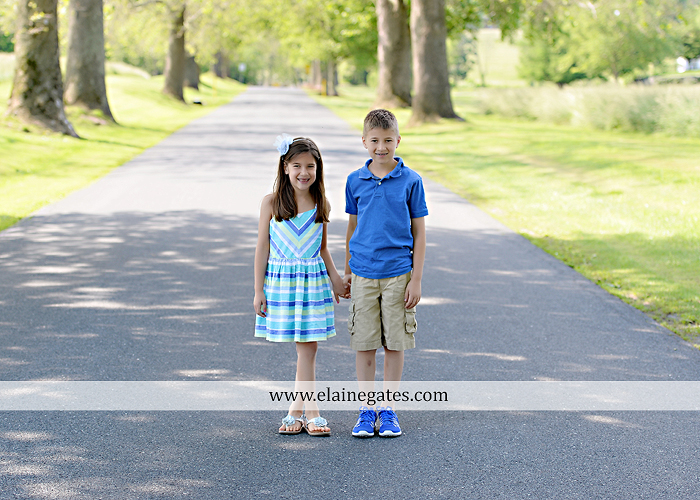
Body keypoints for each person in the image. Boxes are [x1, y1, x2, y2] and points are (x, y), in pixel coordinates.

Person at [254, 135, 347, 436]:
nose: (303, 172)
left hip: (313, 283)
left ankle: (302, 411)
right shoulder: (271, 203)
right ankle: (304, 411)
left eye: (310, 166)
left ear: (318, 169)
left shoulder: (322, 203)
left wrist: (335, 279)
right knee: (304, 350)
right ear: (284, 167)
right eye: (297, 166)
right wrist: (258, 290)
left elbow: (322, 248)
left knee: (307, 349)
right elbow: (262, 248)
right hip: (282, 284)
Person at [344, 109, 428, 438]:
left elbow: (420, 233)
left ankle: (388, 409)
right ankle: (367, 410)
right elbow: (352, 226)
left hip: (398, 273)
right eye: (375, 140)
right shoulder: (355, 180)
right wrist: (348, 269)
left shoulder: (411, 181)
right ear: (364, 141)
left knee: (395, 343)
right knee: (364, 344)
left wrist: (417, 278)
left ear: (398, 140)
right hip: (364, 273)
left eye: (388, 140)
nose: (382, 147)